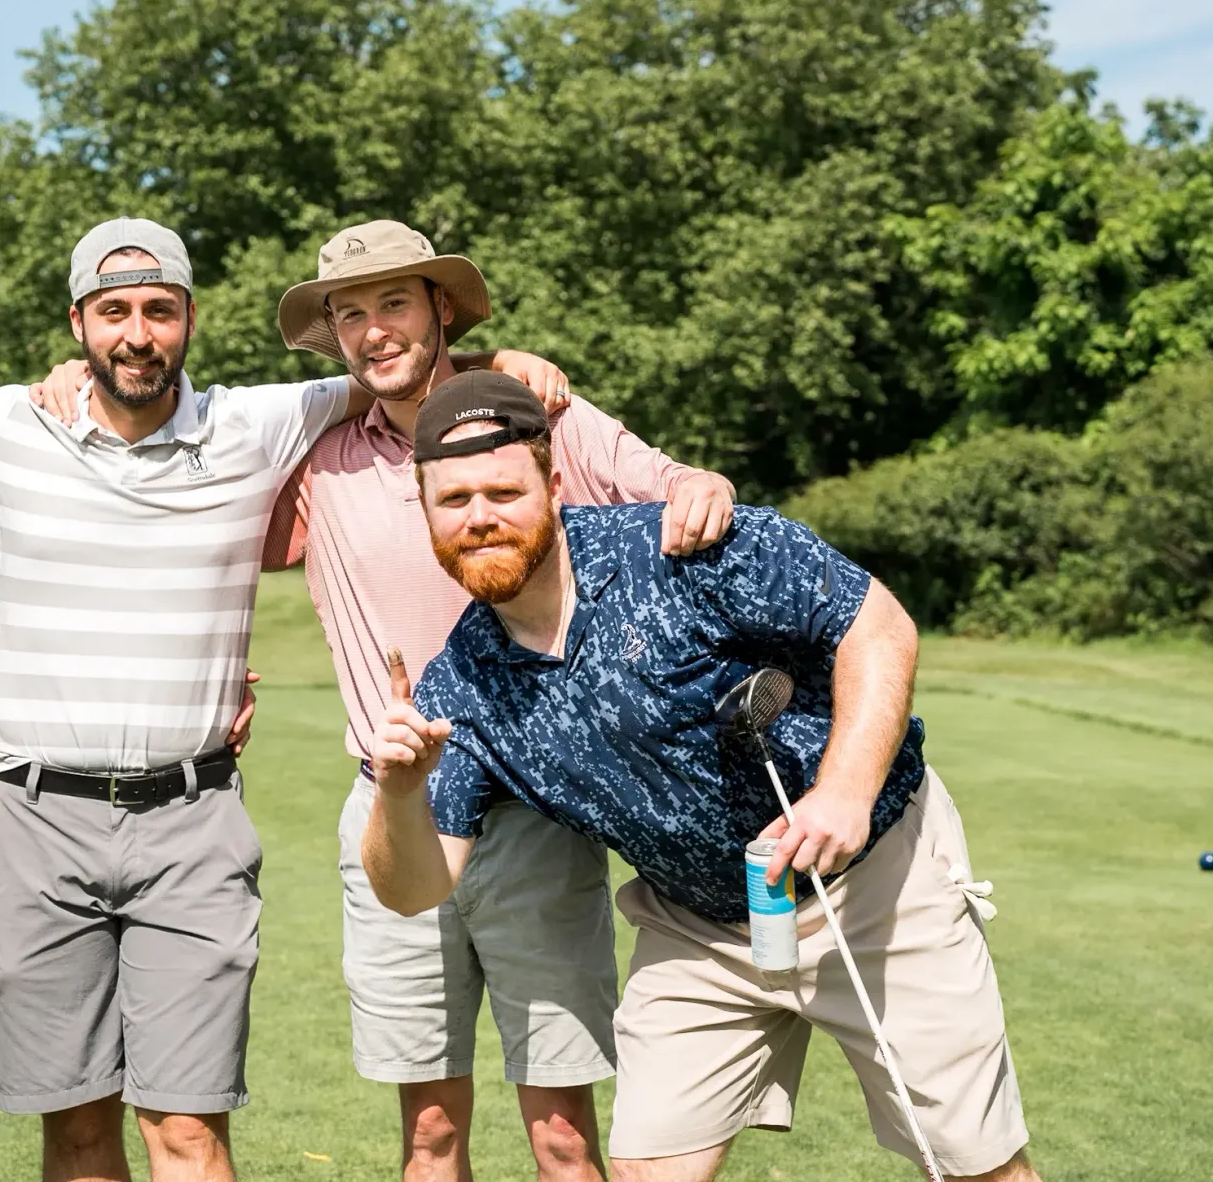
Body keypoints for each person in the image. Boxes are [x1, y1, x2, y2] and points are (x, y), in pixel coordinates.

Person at [0, 217, 569, 1182]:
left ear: (189, 320)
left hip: (192, 821)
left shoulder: (258, 423)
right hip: (37, 820)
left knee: (188, 1131)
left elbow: (398, 365)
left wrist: (504, 361)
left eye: (159, 310)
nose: (137, 333)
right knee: (76, 1132)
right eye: (113, 311)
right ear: (78, 323)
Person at [361, 372, 1041, 1182]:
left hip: (872, 885)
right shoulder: (459, 684)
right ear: (425, 509)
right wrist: (396, 790)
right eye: (454, 499)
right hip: (699, 929)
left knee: (976, 1165)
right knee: (650, 1168)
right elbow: (415, 887)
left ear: (552, 480)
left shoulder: (682, 549)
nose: (479, 518)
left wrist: (846, 789)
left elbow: (878, 623)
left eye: (503, 491)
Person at [261, 220, 736, 1181]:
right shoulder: (321, 459)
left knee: (561, 1133)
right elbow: (190, 482)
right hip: (396, 806)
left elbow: (678, 485)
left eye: (394, 302)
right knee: (430, 1130)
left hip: (536, 813)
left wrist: (704, 485)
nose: (372, 329)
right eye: (349, 314)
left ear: (442, 306)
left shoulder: (537, 421)